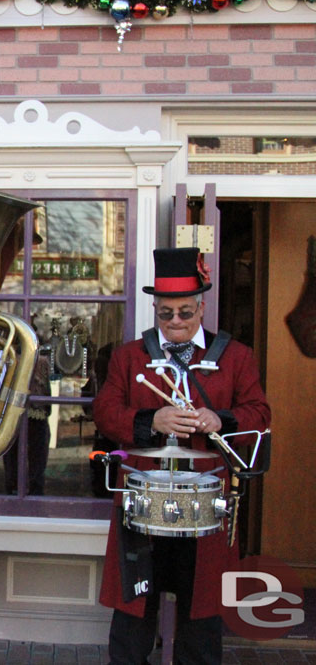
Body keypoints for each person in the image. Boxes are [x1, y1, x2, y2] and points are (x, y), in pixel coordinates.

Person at [93, 247, 271, 664]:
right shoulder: (130, 356)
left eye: (185, 313)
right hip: (143, 500)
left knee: (200, 618)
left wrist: (219, 419)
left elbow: (260, 415)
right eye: (166, 313)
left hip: (206, 508)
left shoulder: (236, 357)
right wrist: (151, 421)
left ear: (202, 308)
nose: (175, 322)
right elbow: (104, 411)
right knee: (134, 613)